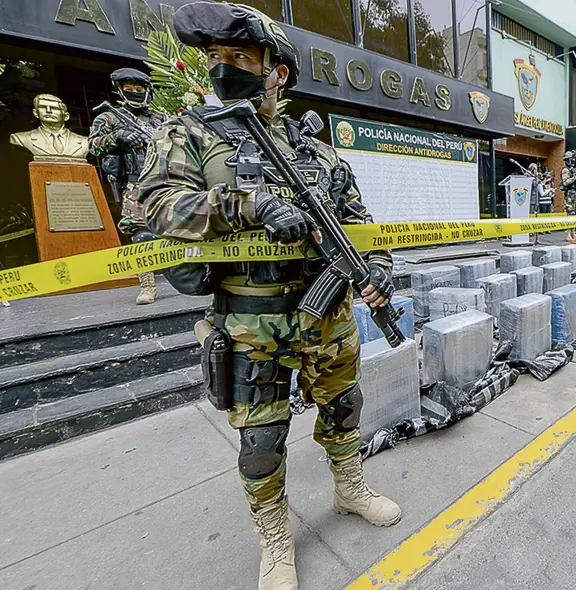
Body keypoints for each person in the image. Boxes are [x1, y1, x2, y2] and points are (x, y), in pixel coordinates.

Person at [138, 4, 400, 588]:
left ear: (276, 71)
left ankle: (350, 488)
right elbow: (154, 205)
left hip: (329, 315)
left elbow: (361, 224)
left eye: (240, 57)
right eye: (216, 57)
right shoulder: (190, 134)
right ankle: (275, 538)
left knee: (344, 407)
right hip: (250, 322)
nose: (223, 68)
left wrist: (379, 268)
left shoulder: (318, 151)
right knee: (261, 439)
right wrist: (247, 206)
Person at [90, 68, 165, 305]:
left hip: (167, 181)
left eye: (139, 89)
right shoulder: (110, 118)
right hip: (137, 182)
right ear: (120, 91)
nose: (134, 92)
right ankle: (148, 285)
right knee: (141, 234)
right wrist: (118, 137)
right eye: (129, 89)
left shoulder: (161, 118)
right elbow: (93, 146)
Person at [560, 150, 576, 241]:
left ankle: (573, 232)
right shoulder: (565, 170)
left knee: (575, 214)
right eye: (571, 159)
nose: (573, 161)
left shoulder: (573, 170)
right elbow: (565, 182)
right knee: (570, 214)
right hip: (570, 194)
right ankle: (568, 233)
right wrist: (574, 178)